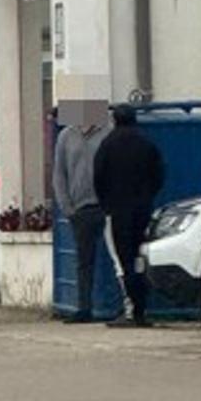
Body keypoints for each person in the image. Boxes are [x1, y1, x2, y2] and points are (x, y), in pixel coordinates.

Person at [93, 104, 165, 328]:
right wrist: (147, 196)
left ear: (114, 120)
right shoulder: (147, 144)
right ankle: (142, 310)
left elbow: (98, 178)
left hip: (117, 212)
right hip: (143, 210)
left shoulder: (107, 145)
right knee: (139, 258)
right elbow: (159, 174)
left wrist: (106, 205)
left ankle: (131, 311)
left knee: (121, 262)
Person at [52, 100, 111, 324]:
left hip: (106, 206)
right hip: (80, 209)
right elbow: (59, 174)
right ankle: (84, 308)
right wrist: (67, 207)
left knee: (111, 260)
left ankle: (113, 307)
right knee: (84, 261)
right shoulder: (66, 136)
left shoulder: (109, 131)